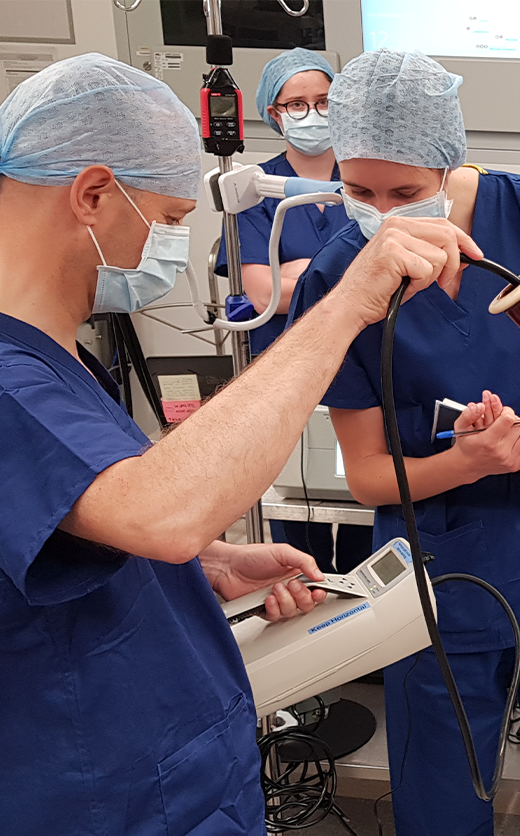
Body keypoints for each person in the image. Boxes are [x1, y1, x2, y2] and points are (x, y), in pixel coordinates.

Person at [0, 54, 477, 836]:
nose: (176, 246)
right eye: (173, 216)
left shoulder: (52, 358)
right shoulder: (11, 377)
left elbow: (82, 519)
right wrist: (348, 303)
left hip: (161, 805)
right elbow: (160, 509)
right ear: (94, 194)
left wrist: (208, 565)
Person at [289, 49, 520, 836]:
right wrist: (464, 460)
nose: (383, 216)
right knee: (441, 818)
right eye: (359, 192)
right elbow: (371, 476)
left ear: (449, 162)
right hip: (435, 585)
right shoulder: (344, 275)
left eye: (406, 194)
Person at [214, 47, 371, 575]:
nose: (312, 113)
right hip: (285, 366)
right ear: (274, 113)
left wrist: (297, 274)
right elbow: (261, 295)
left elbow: (386, 275)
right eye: (296, 104)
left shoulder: (364, 179)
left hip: (361, 361)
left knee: (361, 511)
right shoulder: (254, 191)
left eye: (324, 101)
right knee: (293, 511)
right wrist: (340, 279)